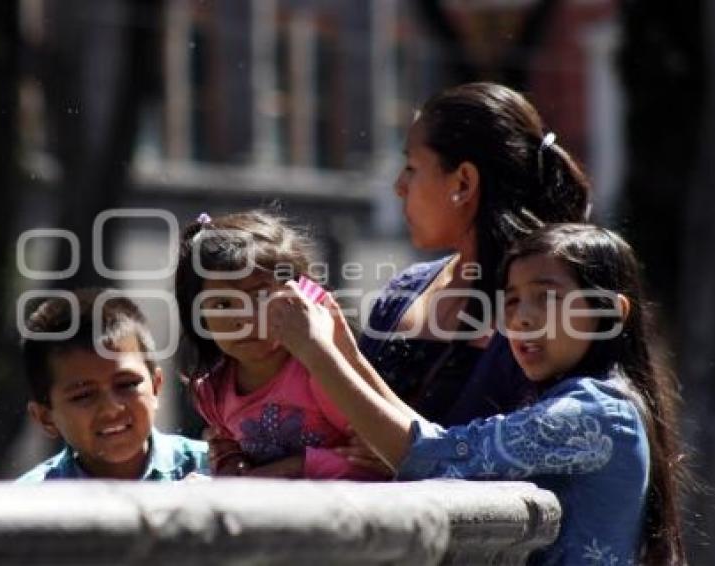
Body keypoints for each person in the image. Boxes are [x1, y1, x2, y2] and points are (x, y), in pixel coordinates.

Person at [269, 224, 686, 564]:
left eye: (546, 297)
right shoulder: (600, 403)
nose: (522, 318)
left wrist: (317, 355)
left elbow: (431, 455)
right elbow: (438, 444)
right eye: (513, 300)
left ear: (610, 312)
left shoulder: (594, 414)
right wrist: (345, 353)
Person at [358, 82, 592, 429]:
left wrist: (328, 357)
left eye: (411, 167)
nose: (399, 186)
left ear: (463, 182)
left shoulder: (545, 311)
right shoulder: (402, 293)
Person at [175, 210, 385, 479]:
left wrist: (282, 470)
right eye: (223, 304)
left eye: (262, 297)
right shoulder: (211, 392)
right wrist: (231, 462)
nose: (246, 319)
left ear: (298, 298)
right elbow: (229, 451)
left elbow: (372, 461)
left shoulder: (322, 372)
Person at [17, 288, 209, 481]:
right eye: (83, 395)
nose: (111, 409)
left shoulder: (219, 472)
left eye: (127, 385)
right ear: (45, 418)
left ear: (156, 386)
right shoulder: (28, 504)